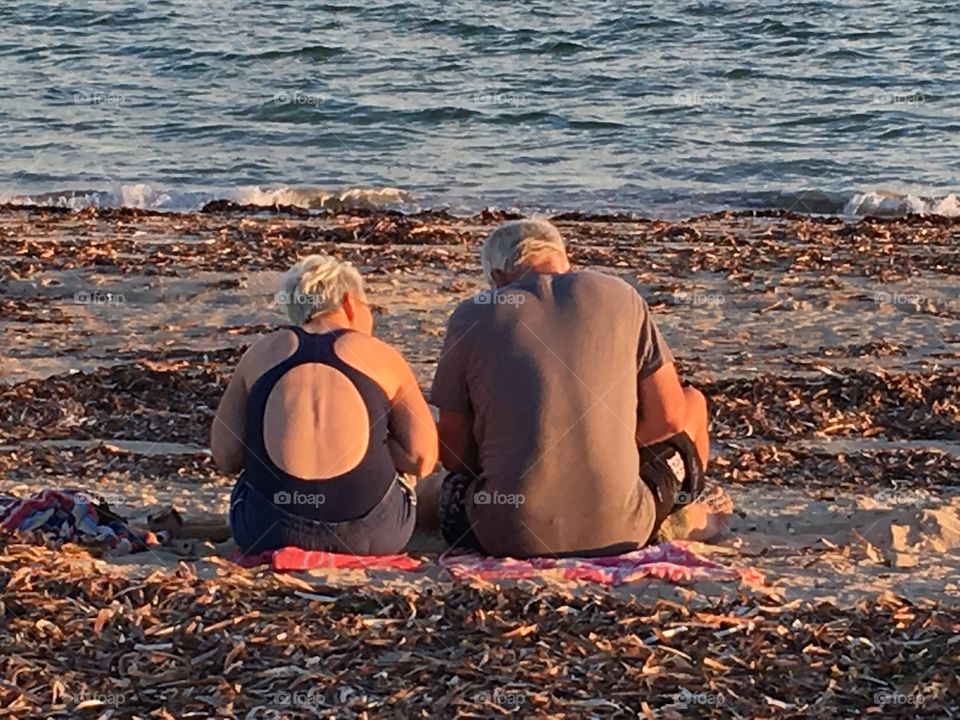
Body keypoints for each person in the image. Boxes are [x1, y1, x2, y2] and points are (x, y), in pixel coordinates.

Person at [425, 219, 730, 558]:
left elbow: (453, 453)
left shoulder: (472, 314)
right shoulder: (620, 294)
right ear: (564, 261)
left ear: (497, 278)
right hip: (621, 528)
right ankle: (685, 514)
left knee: (448, 489)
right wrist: (608, 442)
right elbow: (670, 417)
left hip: (506, 533)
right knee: (694, 403)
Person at [211, 254, 438, 555]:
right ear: (348, 301)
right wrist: (377, 444)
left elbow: (227, 457)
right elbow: (422, 459)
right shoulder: (382, 356)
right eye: (368, 307)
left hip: (268, 529)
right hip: (372, 535)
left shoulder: (261, 351)